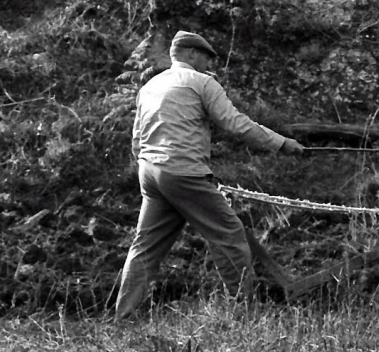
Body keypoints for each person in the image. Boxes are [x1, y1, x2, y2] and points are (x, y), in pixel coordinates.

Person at [115, 30, 304, 318]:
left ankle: (123, 315)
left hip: (150, 174)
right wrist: (281, 143)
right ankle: (244, 313)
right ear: (191, 54)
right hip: (183, 172)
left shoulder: (150, 86)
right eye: (205, 56)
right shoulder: (201, 83)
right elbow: (236, 124)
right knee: (230, 236)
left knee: (146, 247)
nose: (208, 63)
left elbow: (136, 140)